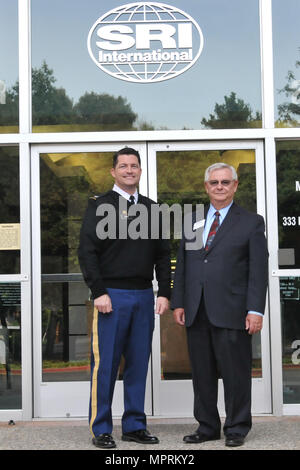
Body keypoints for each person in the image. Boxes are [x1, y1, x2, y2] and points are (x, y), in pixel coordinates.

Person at [78, 147, 170, 449]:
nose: (129, 170)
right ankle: (101, 428)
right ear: (113, 172)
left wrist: (165, 292)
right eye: (123, 166)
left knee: (138, 363)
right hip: (111, 297)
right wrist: (98, 291)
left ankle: (133, 425)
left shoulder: (153, 208)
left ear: (140, 171)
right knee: (104, 365)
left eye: (134, 166)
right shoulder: (99, 205)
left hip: (144, 296)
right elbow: (87, 252)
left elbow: (162, 254)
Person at [171, 162, 268, 447]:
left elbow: (258, 269)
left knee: (236, 373)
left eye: (226, 182)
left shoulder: (251, 222)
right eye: (214, 182)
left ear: (235, 186)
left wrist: (255, 309)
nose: (220, 187)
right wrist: (179, 302)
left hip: (233, 310)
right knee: (202, 374)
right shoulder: (192, 221)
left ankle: (236, 428)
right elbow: (185, 264)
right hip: (196, 309)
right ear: (206, 187)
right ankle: (207, 426)